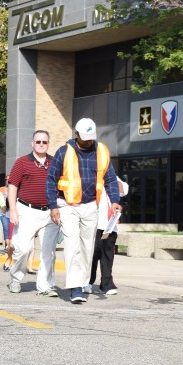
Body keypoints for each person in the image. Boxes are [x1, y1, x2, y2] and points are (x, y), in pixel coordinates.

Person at [46, 118, 120, 304]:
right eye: (84, 137)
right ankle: (75, 287)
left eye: (91, 138)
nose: (88, 141)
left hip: (90, 206)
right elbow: (51, 181)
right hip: (67, 205)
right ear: (76, 135)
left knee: (88, 247)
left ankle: (84, 281)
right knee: (72, 244)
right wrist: (53, 206)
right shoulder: (63, 152)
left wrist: (114, 201)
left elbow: (110, 179)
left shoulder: (101, 151)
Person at [6, 130, 61, 296]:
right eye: (38, 142)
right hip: (26, 210)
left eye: (44, 142)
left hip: (49, 212)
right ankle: (15, 278)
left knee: (48, 251)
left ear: (48, 144)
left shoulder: (55, 162)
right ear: (32, 143)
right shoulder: (22, 162)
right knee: (23, 249)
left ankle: (45, 286)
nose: (41, 144)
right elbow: (12, 187)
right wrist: (13, 211)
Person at [86, 176, 128, 295]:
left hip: (109, 224)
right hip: (91, 223)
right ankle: (87, 282)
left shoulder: (110, 175)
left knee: (107, 255)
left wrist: (109, 177)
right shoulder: (88, 172)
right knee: (91, 254)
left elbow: (124, 190)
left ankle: (106, 284)